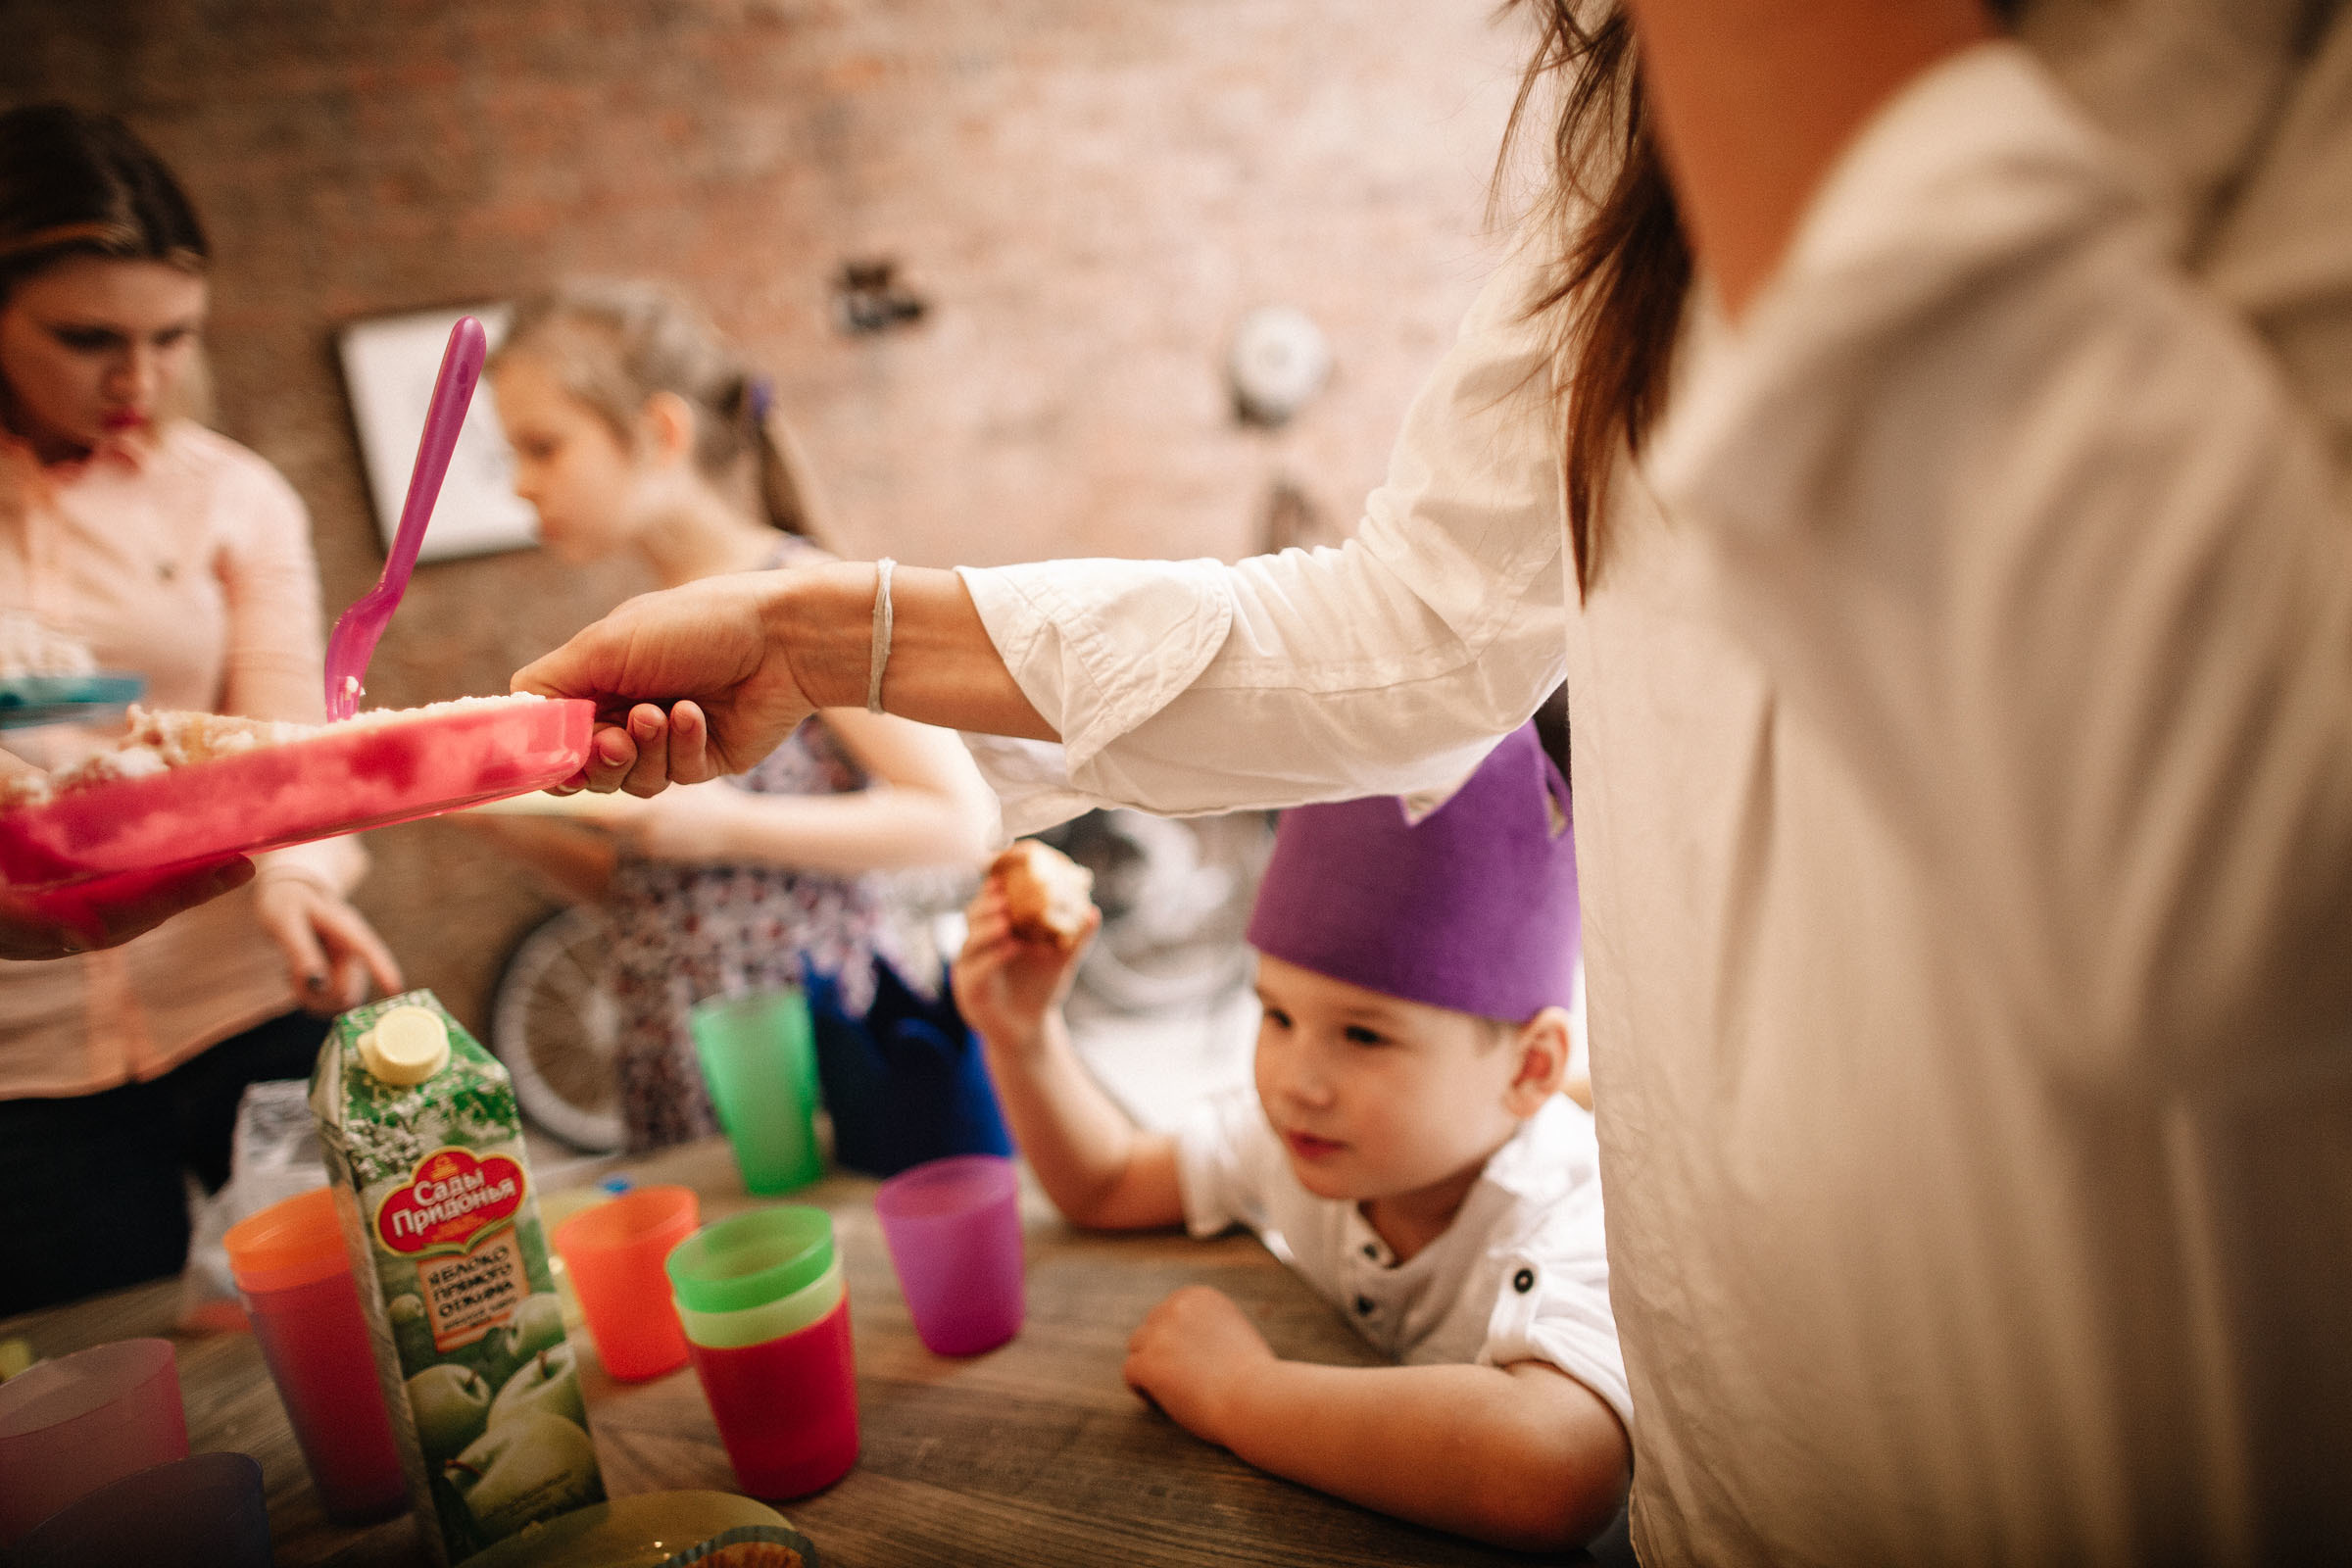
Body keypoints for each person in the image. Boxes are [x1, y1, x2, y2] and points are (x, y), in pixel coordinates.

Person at [514, 0, 2352, 1560]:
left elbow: (2210, 863)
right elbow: (1413, 630)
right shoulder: (1630, 96)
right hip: (1736, 1464)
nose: (1300, 1074)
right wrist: (831, 635)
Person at [954, 724, 1626, 1550]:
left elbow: (1555, 1473)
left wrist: (1241, 1392)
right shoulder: (1296, 1137)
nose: (1293, 1082)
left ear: (1530, 1070)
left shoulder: (1581, 1207)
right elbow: (1107, 1183)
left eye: (1365, 1036)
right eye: (1276, 1014)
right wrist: (1022, 1037)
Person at [0, 104, 400, 1313]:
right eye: (87, 338)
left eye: (173, 337)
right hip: (22, 1061)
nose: (139, 378)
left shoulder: (233, 499)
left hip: (250, 994)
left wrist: (295, 880)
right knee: (97, 1394)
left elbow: (284, 747)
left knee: (372, 1327)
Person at [477, 280, 995, 1151]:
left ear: (661, 434)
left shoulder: (801, 598)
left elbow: (960, 820)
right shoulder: (660, 620)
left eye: (543, 447)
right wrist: (503, 825)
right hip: (686, 1059)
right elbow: (669, 895)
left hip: (816, 1053)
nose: (523, 487)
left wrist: (729, 825)